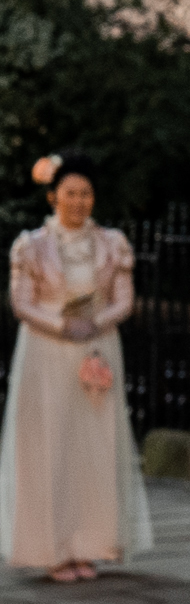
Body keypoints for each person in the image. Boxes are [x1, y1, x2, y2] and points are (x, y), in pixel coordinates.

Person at [2, 152, 151, 581]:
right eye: (70, 193)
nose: (78, 201)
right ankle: (52, 547)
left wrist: (95, 324)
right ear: (53, 197)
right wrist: (61, 324)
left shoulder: (112, 243)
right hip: (46, 353)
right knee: (51, 445)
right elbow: (21, 302)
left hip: (98, 348)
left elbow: (124, 299)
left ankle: (88, 543)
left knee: (93, 446)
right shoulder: (31, 245)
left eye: (85, 193)